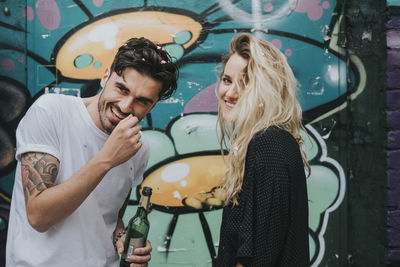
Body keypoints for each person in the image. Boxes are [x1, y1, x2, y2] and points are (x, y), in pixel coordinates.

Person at [6, 37, 178, 267]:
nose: (126, 106)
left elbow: (112, 217)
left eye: (142, 101)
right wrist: (107, 158)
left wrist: (123, 240)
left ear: (152, 105)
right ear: (106, 76)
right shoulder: (51, 112)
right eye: (121, 88)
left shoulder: (138, 147)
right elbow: (38, 216)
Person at [216, 33, 310, 266]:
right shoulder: (270, 142)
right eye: (227, 80)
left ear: (267, 89)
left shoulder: (268, 146)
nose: (230, 93)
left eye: (245, 83)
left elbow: (254, 257)